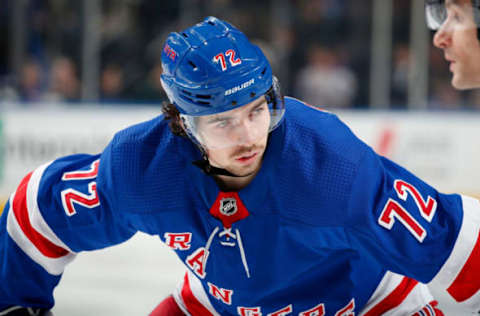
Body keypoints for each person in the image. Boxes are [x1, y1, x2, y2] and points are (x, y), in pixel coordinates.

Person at [1, 16, 478, 316]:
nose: (250, 136)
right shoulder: (142, 167)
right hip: (216, 304)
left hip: (367, 303)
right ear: (181, 123)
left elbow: (458, 244)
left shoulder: (331, 168)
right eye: (224, 122)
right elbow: (37, 214)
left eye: (257, 109)